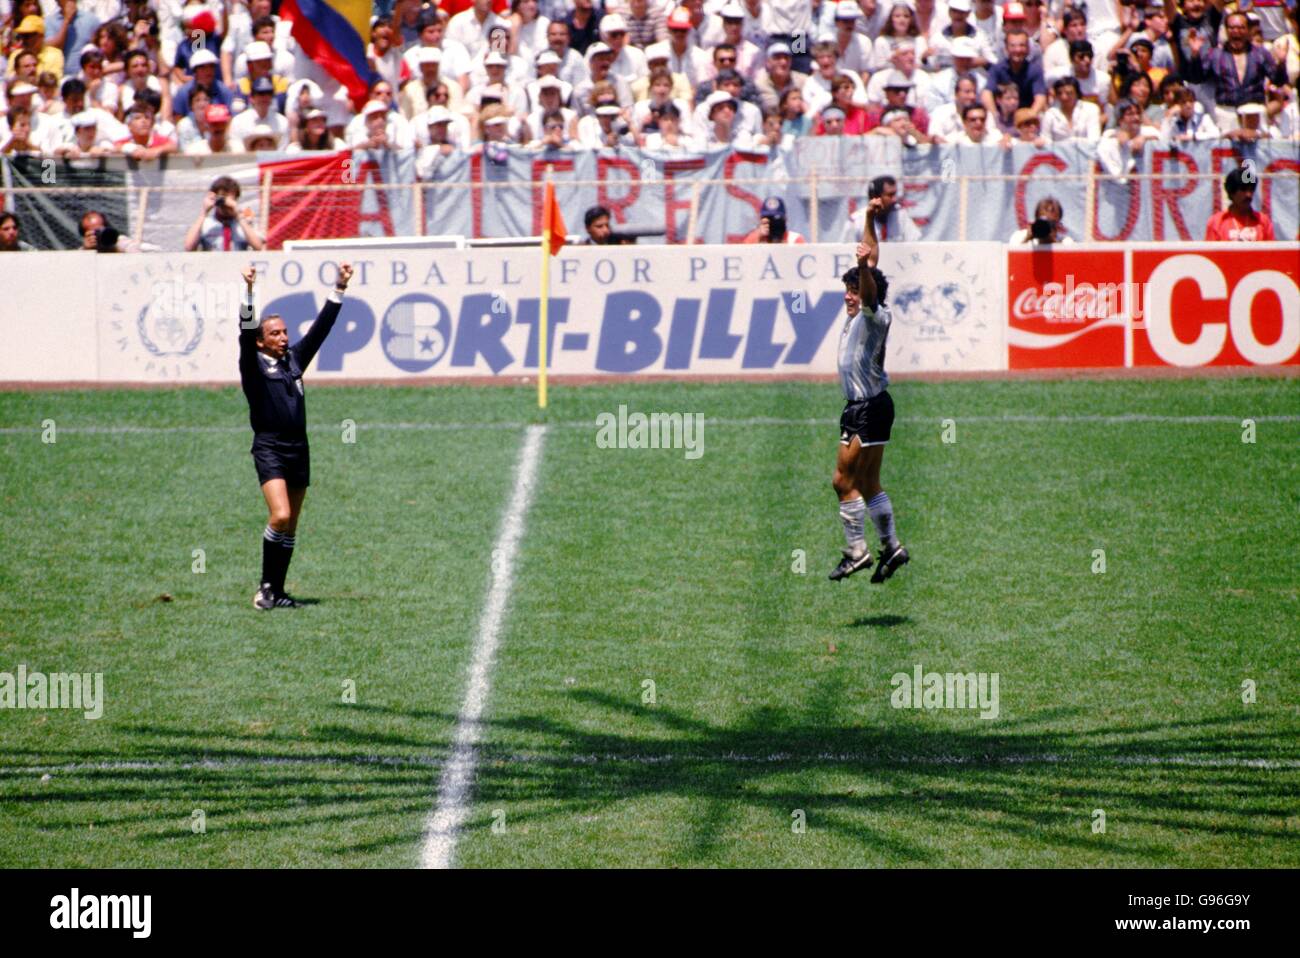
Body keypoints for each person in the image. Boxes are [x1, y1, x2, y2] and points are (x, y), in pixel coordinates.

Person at [238, 261, 354, 609]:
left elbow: (321, 330)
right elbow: (244, 331)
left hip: (299, 450)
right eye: (275, 334)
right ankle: (264, 588)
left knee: (291, 527)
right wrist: (248, 291)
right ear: (260, 342)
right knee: (281, 516)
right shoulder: (253, 366)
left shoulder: (293, 361)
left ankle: (278, 592)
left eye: (285, 332)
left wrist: (340, 288)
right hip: (270, 448)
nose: (284, 337)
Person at [829, 194, 909, 584]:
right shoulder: (862, 305)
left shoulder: (874, 315)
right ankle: (891, 546)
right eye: (847, 288)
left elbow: (871, 286)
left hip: (867, 407)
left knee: (842, 481)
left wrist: (863, 268)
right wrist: (868, 218)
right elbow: (873, 258)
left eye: (854, 289)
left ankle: (857, 551)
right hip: (870, 406)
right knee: (867, 483)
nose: (849, 294)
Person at [185, 176, 266, 251]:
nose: (226, 205)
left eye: (231, 199)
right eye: (222, 198)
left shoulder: (245, 222)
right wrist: (204, 212)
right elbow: (189, 247)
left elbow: (258, 247)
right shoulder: (205, 224)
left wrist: (238, 216)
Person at [1204, 166, 1276, 241]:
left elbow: (1271, 251)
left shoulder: (1263, 222)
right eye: (1243, 190)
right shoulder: (1216, 222)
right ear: (1232, 192)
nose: (1248, 195)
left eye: (1251, 190)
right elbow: (1210, 251)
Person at [742, 196, 806, 244]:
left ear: (785, 219)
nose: (773, 223)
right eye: (769, 219)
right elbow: (744, 253)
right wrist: (758, 235)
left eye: (776, 219)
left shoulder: (794, 239)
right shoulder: (757, 239)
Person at [1009, 196, 1073, 243]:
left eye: (1051, 223)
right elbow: (1014, 259)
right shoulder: (1019, 236)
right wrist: (1026, 239)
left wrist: (1053, 243)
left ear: (1058, 222)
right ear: (1036, 219)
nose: (1046, 227)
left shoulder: (1066, 241)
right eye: (1043, 222)